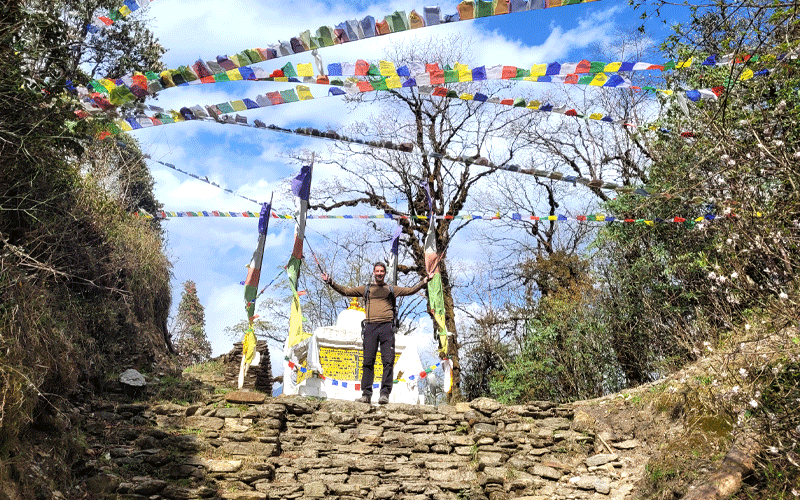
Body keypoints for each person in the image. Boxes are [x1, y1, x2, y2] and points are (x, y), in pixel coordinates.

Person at [322, 262, 431, 404]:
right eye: (377, 271)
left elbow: (410, 291)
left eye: (381, 271)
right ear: (373, 272)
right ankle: (366, 395)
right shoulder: (366, 289)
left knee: (388, 361)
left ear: (384, 273)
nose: (379, 273)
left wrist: (424, 281)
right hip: (370, 327)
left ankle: (384, 394)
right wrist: (330, 281)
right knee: (368, 361)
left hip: (387, 327)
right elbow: (346, 292)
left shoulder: (391, 289)